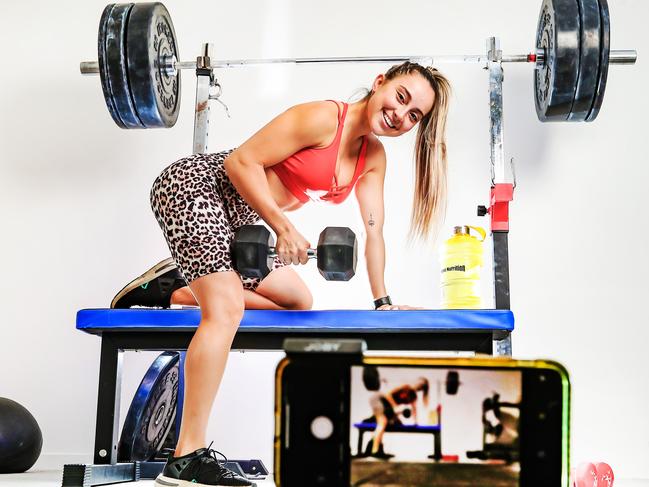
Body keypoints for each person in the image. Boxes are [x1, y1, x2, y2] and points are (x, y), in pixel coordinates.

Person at [149, 61, 451, 487]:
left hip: (242, 227)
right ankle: (186, 458)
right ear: (381, 82)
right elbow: (240, 163)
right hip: (198, 188)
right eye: (401, 98)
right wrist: (285, 227)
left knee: (298, 299)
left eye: (414, 115)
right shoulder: (323, 117)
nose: (401, 116)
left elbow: (373, 230)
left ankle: (183, 287)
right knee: (226, 313)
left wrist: (383, 302)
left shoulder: (373, 157)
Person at [363, 377, 431, 459]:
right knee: (383, 422)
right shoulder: (405, 387)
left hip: (388, 407)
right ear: (416, 381)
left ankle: (378, 448)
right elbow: (387, 395)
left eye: (422, 386)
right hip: (379, 400)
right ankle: (374, 451)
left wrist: (416, 422)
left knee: (391, 423)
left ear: (422, 389)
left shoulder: (413, 397)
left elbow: (414, 410)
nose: (419, 387)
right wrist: (394, 406)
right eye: (419, 384)